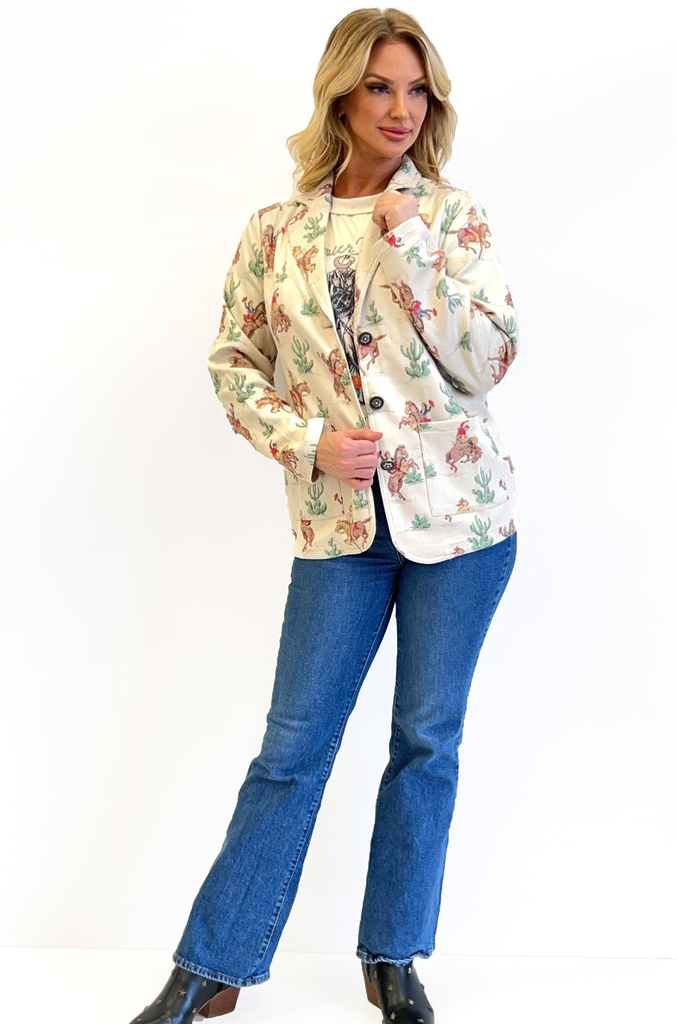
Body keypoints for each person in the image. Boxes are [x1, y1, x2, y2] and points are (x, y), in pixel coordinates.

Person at [127, 8, 518, 1024]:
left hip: (460, 524)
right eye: (380, 86)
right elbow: (234, 361)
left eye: (417, 90)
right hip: (337, 529)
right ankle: (210, 967)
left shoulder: (452, 217)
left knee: (424, 741)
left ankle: (393, 958)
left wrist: (413, 248)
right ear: (341, 93)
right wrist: (304, 442)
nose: (400, 109)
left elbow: (487, 362)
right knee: (292, 747)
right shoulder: (276, 230)